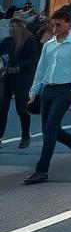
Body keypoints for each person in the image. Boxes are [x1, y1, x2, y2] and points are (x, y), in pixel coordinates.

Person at [23, 7, 71, 185]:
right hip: (47, 89)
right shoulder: (49, 44)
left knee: (50, 130)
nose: (54, 28)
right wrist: (33, 92)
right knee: (53, 130)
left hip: (65, 91)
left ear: (68, 24)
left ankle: (41, 170)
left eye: (58, 25)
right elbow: (41, 70)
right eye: (53, 25)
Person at [0, 12, 40, 148]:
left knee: (21, 108)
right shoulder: (6, 42)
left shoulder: (30, 41)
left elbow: (33, 60)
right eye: (11, 26)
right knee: (2, 109)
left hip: (22, 78)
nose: (12, 28)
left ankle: (25, 135)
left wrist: (18, 68)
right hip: (6, 78)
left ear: (22, 26)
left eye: (15, 26)